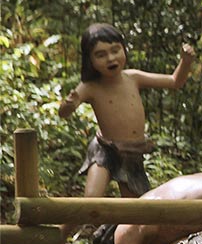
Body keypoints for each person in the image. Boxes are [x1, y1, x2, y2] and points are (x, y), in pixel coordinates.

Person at [58, 23, 194, 200]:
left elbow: (174, 81)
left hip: (132, 153)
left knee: (135, 211)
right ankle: (62, 228)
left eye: (115, 50)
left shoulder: (133, 77)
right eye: (101, 55)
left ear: (124, 49)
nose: (110, 58)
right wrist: (68, 104)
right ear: (89, 60)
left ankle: (111, 228)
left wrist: (185, 62)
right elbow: (64, 113)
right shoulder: (89, 87)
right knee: (91, 198)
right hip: (105, 149)